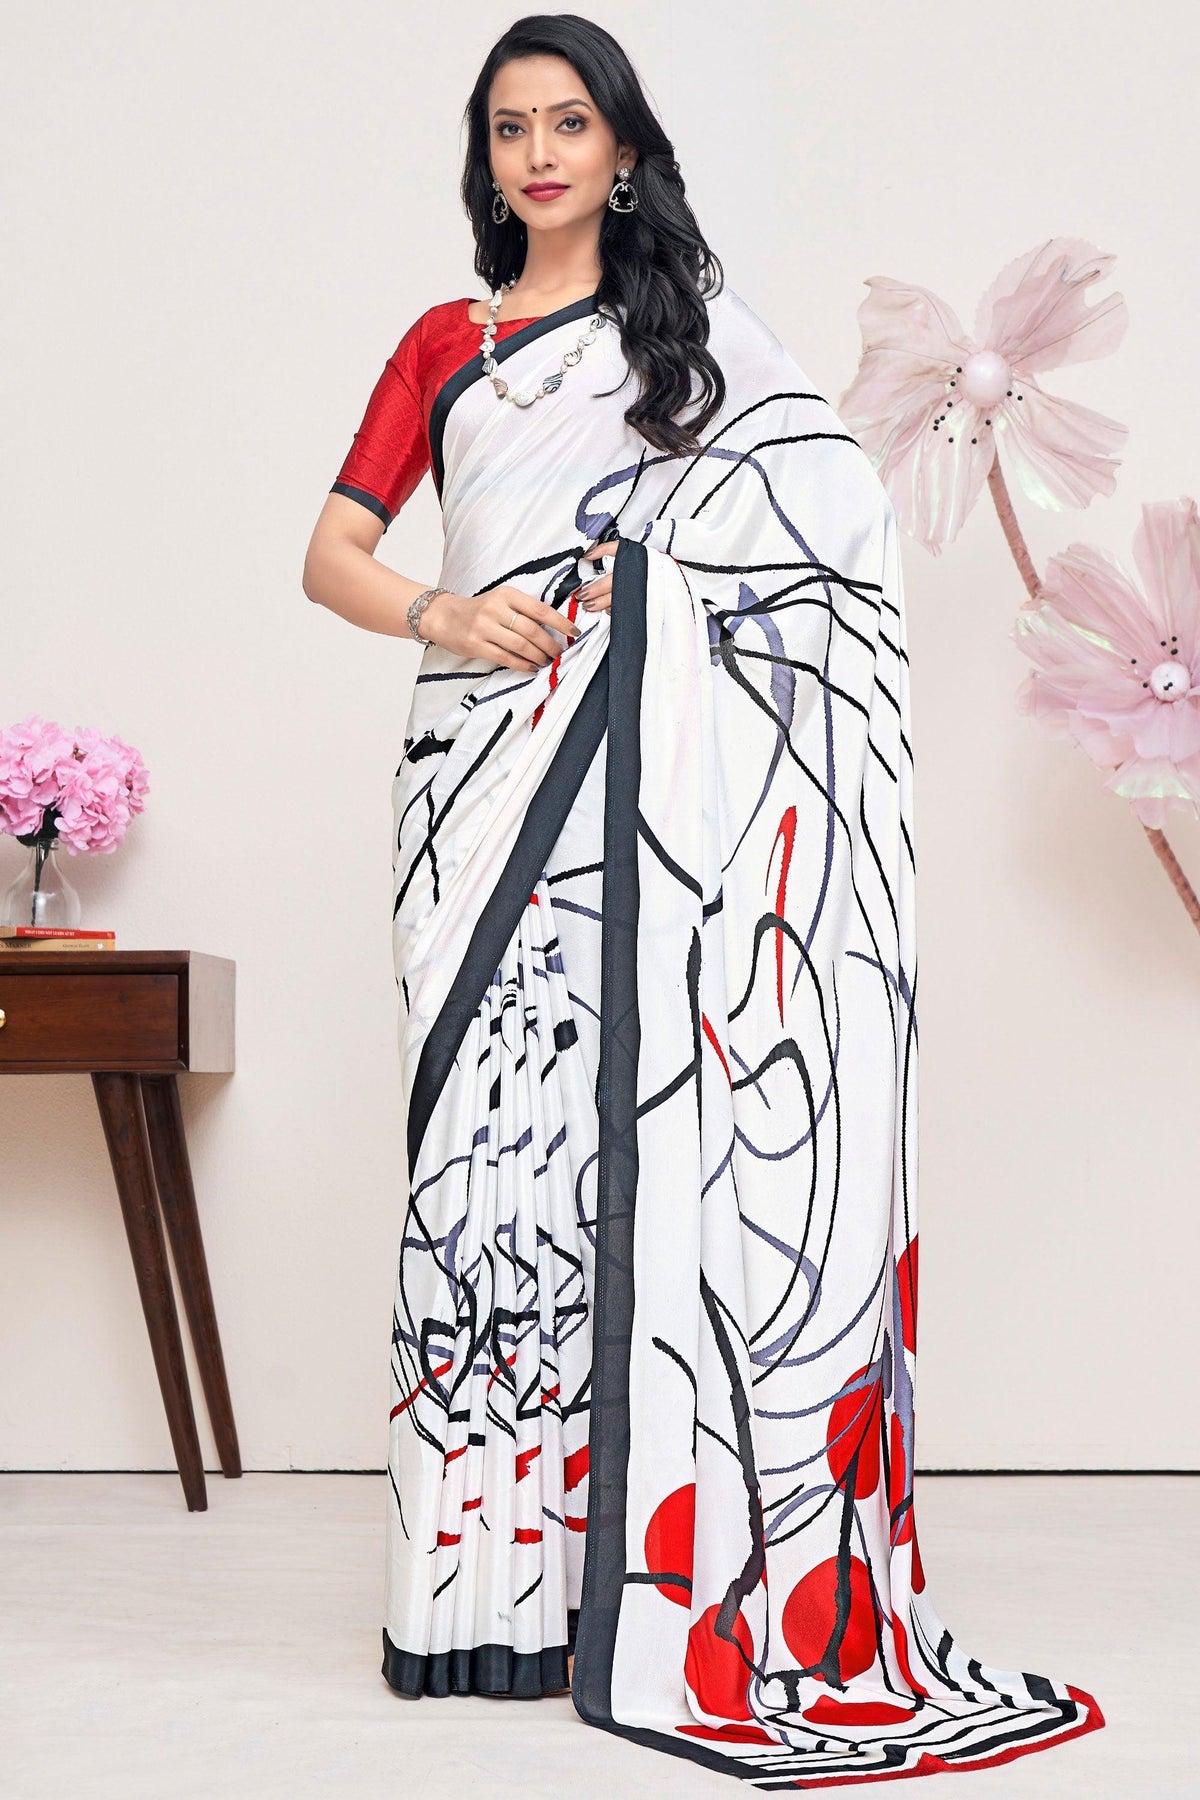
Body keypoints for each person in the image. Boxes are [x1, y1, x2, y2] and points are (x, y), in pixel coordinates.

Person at [302, 12, 1105, 1787]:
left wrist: (639, 590)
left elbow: (822, 524)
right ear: (485, 156)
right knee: (475, 1168)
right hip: (469, 776)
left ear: (620, 146)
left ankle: (617, 1581)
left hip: (639, 789)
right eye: (509, 128)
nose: (538, 155)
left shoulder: (698, 341)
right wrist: (447, 612)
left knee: (614, 1158)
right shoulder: (447, 342)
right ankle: (473, 1589)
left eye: (567, 123)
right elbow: (331, 554)